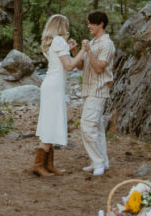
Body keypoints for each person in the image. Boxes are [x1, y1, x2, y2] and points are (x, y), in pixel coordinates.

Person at [32, 14, 81, 177]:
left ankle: (48, 164)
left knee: (50, 122)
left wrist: (71, 48)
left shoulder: (53, 42)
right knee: (51, 123)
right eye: (66, 25)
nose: (68, 29)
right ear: (61, 26)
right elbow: (69, 66)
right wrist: (83, 52)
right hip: (54, 87)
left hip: (51, 85)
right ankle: (38, 165)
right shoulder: (59, 41)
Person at [73, 10, 115, 176]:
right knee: (97, 127)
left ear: (101, 24)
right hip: (88, 89)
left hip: (99, 90)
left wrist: (89, 50)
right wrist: (75, 50)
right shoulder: (94, 42)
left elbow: (98, 68)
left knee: (87, 126)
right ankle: (101, 161)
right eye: (88, 22)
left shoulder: (107, 44)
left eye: (91, 23)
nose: (88, 26)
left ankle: (97, 162)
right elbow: (82, 66)